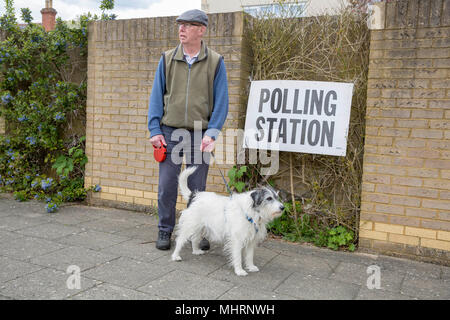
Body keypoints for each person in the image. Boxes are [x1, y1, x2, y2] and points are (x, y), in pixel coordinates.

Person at [147, 9, 229, 250]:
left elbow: (222, 101)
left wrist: (212, 133)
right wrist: (155, 129)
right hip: (170, 133)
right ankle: (165, 230)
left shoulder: (215, 62)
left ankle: (197, 232)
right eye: (179, 25)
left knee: (197, 189)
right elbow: (156, 97)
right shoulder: (167, 59)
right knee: (167, 186)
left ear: (201, 30)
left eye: (187, 25)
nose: (181, 29)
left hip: (198, 133)